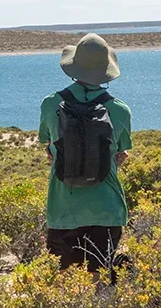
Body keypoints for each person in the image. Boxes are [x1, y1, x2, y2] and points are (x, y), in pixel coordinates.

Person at [39, 33, 132, 276]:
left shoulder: (51, 104)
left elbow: (49, 149)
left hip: (63, 209)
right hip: (107, 208)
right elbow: (119, 154)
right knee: (99, 282)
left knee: (64, 284)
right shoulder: (120, 110)